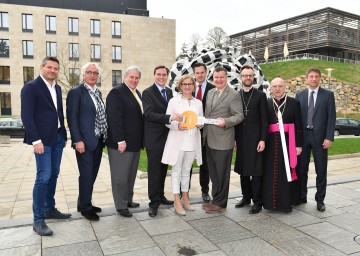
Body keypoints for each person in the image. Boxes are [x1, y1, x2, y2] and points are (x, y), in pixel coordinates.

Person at [21, 56, 70, 236]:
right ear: (42, 67)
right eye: (49, 67)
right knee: (43, 176)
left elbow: (59, 113)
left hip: (57, 138)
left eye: (56, 68)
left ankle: (50, 208)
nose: (53, 71)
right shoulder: (31, 87)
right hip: (42, 140)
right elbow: (26, 115)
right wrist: (36, 140)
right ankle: (38, 220)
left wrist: (63, 134)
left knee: (54, 174)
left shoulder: (56, 87)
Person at [66, 63, 107, 221]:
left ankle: (84, 201)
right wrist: (77, 140)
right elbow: (72, 118)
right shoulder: (76, 92)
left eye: (95, 73)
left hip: (97, 140)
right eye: (89, 72)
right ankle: (85, 208)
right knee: (86, 174)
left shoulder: (97, 92)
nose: (92, 75)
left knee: (92, 174)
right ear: (83, 74)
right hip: (84, 142)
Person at [202, 66, 243, 213]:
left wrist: (225, 121)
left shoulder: (233, 94)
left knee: (222, 174)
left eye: (221, 77)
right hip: (209, 139)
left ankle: (221, 204)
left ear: (226, 78)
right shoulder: (210, 92)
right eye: (216, 77)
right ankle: (215, 200)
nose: (218, 80)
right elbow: (208, 114)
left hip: (223, 140)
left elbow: (239, 116)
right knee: (213, 173)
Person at [143, 65, 183, 217]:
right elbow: (149, 114)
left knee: (163, 169)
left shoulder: (169, 92)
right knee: (154, 171)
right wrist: (170, 118)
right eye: (158, 74)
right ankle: (153, 203)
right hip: (154, 139)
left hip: (168, 137)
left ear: (167, 76)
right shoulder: (147, 92)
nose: (161, 77)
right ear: (154, 75)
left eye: (164, 74)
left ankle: (160, 196)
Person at [161, 75, 203, 215]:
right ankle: (176, 199)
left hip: (192, 141)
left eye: (190, 84)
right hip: (178, 141)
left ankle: (185, 197)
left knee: (187, 171)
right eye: (184, 84)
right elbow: (167, 121)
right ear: (180, 86)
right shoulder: (174, 101)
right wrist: (177, 126)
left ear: (194, 86)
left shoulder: (198, 103)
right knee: (176, 171)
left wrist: (200, 124)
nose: (187, 86)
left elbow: (201, 121)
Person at [296, 68, 336, 212]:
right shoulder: (299, 95)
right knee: (301, 170)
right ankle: (302, 196)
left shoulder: (328, 95)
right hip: (303, 137)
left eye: (316, 77)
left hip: (320, 139)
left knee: (321, 170)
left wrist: (329, 137)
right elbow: (296, 118)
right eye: (311, 76)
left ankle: (320, 200)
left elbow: (332, 117)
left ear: (320, 78)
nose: (313, 79)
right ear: (307, 78)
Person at [106, 66, 143, 218]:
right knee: (120, 176)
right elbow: (114, 119)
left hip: (134, 143)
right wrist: (120, 140)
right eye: (131, 77)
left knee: (130, 174)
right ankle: (121, 205)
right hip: (121, 143)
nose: (134, 80)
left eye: (136, 78)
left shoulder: (136, 93)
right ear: (125, 77)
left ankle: (128, 199)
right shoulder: (117, 92)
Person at [263, 78, 303, 212]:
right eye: (274, 86)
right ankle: (270, 204)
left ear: (285, 87)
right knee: (271, 174)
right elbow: (263, 125)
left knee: (286, 173)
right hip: (271, 145)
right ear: (271, 89)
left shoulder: (293, 103)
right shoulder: (267, 103)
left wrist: (298, 145)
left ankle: (286, 203)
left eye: (280, 86)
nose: (277, 89)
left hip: (288, 142)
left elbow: (298, 126)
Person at [234, 65, 268, 214]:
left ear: (253, 77)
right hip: (241, 139)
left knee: (256, 171)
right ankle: (246, 197)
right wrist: (234, 139)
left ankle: (257, 201)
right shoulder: (236, 95)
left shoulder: (260, 95)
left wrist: (263, 139)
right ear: (241, 78)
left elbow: (264, 120)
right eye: (245, 75)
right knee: (243, 171)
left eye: (250, 75)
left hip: (255, 140)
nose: (248, 78)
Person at [190, 63, 215, 203]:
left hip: (207, 131)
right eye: (197, 73)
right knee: (186, 162)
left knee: (205, 163)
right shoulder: (188, 87)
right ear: (194, 74)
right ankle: (184, 191)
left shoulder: (213, 89)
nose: (199, 75)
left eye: (202, 72)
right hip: (189, 131)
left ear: (206, 73)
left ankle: (205, 190)